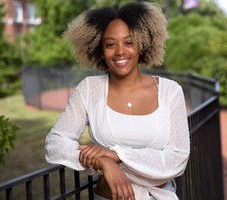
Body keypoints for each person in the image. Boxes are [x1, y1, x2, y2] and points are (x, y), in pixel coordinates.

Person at [45, 2, 190, 200]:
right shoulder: (89, 89)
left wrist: (117, 156)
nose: (120, 51)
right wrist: (104, 163)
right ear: (100, 50)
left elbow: (178, 159)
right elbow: (55, 143)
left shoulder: (170, 92)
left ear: (143, 43)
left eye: (129, 42)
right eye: (110, 44)